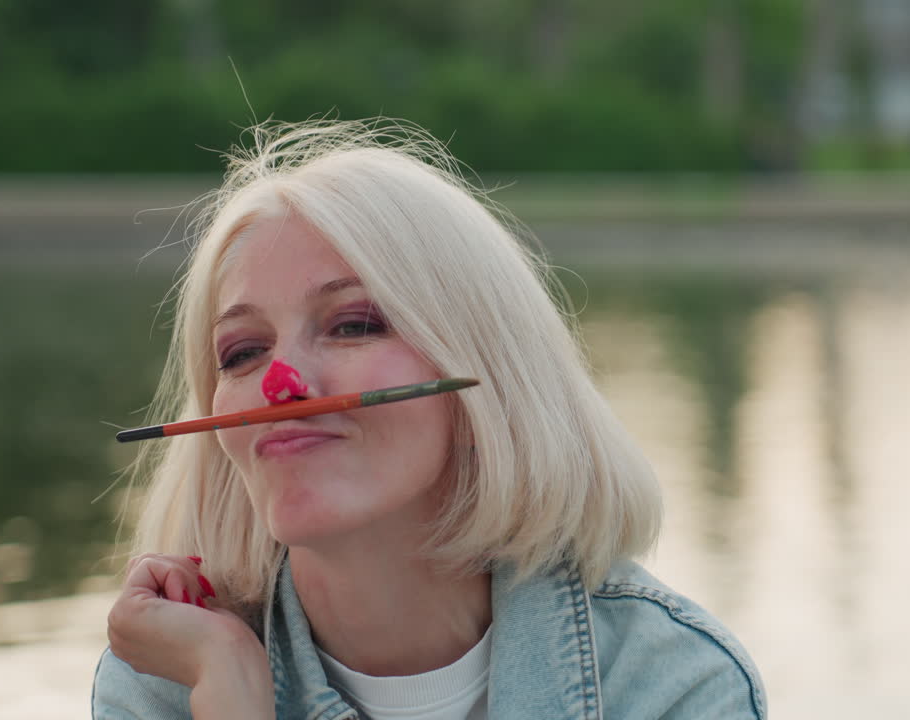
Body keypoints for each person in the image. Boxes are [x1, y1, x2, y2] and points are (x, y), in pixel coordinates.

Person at [92, 119, 766, 720]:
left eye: (353, 324)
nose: (281, 386)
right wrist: (228, 686)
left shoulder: (673, 687)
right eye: (243, 352)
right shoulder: (166, 681)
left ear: (485, 380)